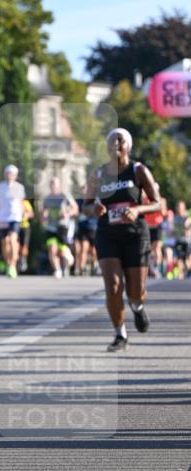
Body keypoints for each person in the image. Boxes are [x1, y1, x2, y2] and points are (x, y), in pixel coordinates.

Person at [83, 128, 160, 353]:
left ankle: (137, 307)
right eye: (110, 142)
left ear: (128, 146)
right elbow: (85, 205)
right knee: (113, 286)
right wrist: (93, 209)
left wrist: (137, 210)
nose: (115, 146)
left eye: (120, 141)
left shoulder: (139, 170)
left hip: (135, 235)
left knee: (136, 291)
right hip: (108, 234)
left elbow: (157, 203)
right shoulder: (98, 174)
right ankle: (120, 334)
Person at [41, 177, 77, 278]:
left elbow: (75, 208)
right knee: (52, 249)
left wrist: (67, 213)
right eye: (52, 183)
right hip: (51, 227)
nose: (53, 186)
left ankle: (65, 267)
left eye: (55, 184)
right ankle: (57, 269)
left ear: (59, 185)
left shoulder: (64, 196)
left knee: (63, 251)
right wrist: (43, 217)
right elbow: (44, 211)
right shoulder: (47, 198)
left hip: (62, 226)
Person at [0, 164, 26, 278]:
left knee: (13, 240)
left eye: (12, 174)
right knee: (5, 242)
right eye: (8, 173)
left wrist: (23, 214)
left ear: (15, 176)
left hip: (15, 217)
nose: (9, 176)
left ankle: (13, 265)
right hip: (2, 217)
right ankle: (8, 263)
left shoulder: (19, 187)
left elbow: (21, 202)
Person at [73, 195, 98, 276]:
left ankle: (94, 265)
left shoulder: (94, 199)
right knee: (83, 248)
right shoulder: (79, 201)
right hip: (82, 228)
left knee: (93, 251)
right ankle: (82, 269)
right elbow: (75, 211)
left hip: (93, 228)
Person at [172, 200, 191, 279]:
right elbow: (174, 229)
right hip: (179, 240)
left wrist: (187, 226)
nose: (180, 209)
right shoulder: (175, 218)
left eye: (181, 207)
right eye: (178, 207)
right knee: (179, 258)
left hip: (187, 241)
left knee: (187, 258)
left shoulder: (187, 217)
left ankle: (188, 272)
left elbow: (188, 230)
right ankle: (180, 274)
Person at [18, 198, 34, 274]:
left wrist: (26, 214)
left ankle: (23, 259)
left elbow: (31, 213)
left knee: (24, 245)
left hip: (24, 226)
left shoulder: (25, 202)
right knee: (15, 245)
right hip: (15, 226)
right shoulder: (12, 202)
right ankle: (16, 261)